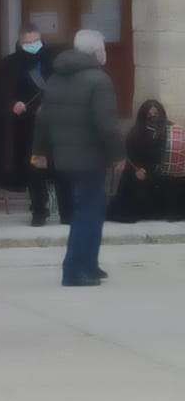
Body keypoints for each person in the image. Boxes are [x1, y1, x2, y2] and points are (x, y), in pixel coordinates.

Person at [33, 30, 124, 287]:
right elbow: (106, 124)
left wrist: (38, 152)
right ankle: (74, 270)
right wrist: (118, 154)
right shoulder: (99, 80)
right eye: (103, 48)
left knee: (90, 209)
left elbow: (42, 118)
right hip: (90, 157)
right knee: (88, 211)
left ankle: (89, 265)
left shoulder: (56, 78)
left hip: (63, 155)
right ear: (97, 51)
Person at [0, 27, 71, 225]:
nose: (33, 45)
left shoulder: (55, 62)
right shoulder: (9, 65)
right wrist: (13, 104)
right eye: (29, 42)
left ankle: (67, 211)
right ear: (21, 44)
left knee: (61, 168)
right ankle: (39, 211)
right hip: (28, 127)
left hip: (56, 123)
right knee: (35, 169)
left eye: (36, 41)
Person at [110, 101, 182, 224]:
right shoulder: (135, 133)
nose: (153, 117)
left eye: (156, 113)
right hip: (142, 174)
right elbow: (130, 158)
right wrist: (137, 170)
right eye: (149, 114)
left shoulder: (169, 129)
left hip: (162, 173)